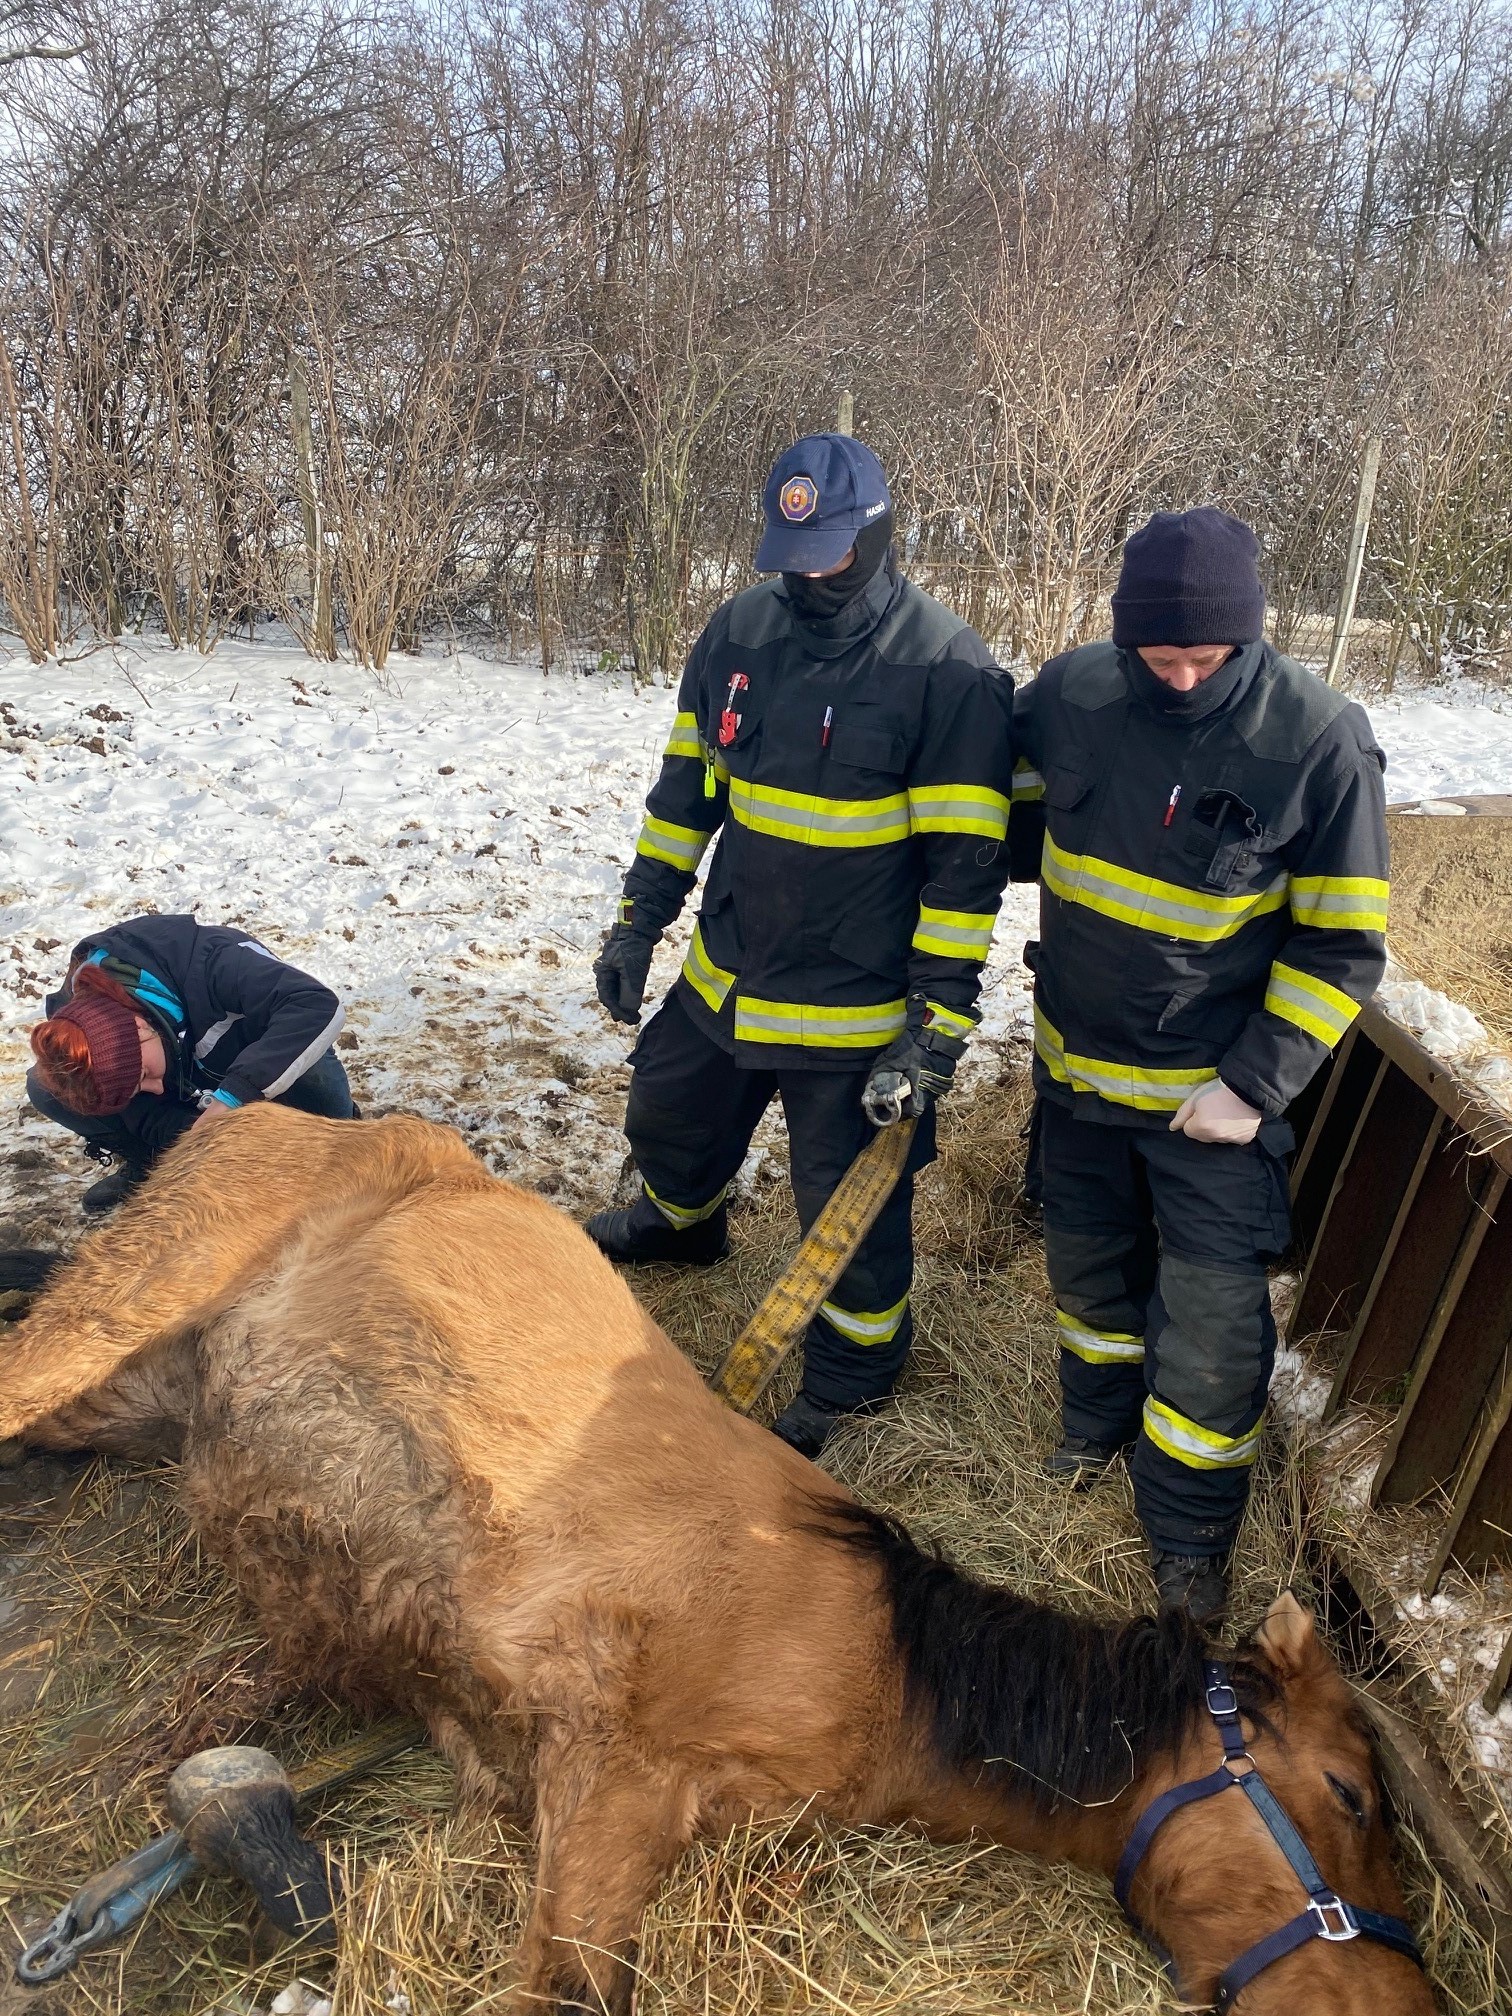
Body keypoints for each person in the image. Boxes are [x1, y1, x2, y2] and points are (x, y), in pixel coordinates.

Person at [587, 433, 1015, 1455]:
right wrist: (641, 916)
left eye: (829, 552)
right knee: (669, 1114)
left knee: (847, 1217)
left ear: (878, 535)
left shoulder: (946, 671)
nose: (808, 577)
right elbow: (686, 793)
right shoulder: (739, 632)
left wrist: (935, 1029)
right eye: (791, 554)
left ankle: (855, 1375)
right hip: (730, 969)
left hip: (855, 1004)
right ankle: (682, 1222)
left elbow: (965, 877)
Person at [1007, 508, 1389, 1622]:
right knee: (1088, 1280)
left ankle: (1186, 1533)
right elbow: (985, 805)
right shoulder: (1073, 696)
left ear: (1251, 637)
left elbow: (1342, 943)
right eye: (1157, 654)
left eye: (1204, 655)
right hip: (1076, 1082)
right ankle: (1094, 1430)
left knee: (1213, 1329)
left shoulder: (1315, 741)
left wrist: (1251, 1085)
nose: (1179, 678)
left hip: (1208, 1109)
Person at [28, 913, 354, 1211]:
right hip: (190, 1082)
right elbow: (138, 1108)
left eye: (143, 1074)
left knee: (306, 1052)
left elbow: (315, 1005)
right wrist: (196, 1139)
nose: (153, 1089)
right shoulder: (72, 1030)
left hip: (255, 1058)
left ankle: (345, 1141)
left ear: (140, 1027)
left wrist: (234, 1096)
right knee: (43, 1086)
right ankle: (152, 1163)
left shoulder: (213, 961)